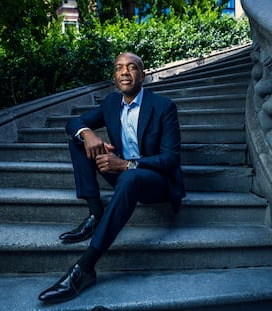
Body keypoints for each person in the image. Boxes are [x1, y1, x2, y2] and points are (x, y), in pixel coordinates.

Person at [38, 52, 185, 304]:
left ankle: (85, 268)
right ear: (115, 77)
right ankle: (96, 213)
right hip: (121, 172)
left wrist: (127, 164)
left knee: (130, 178)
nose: (125, 72)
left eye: (132, 67)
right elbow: (74, 122)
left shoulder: (163, 106)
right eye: (119, 68)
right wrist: (88, 134)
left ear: (143, 74)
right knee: (79, 142)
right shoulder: (110, 104)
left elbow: (170, 159)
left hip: (155, 181)